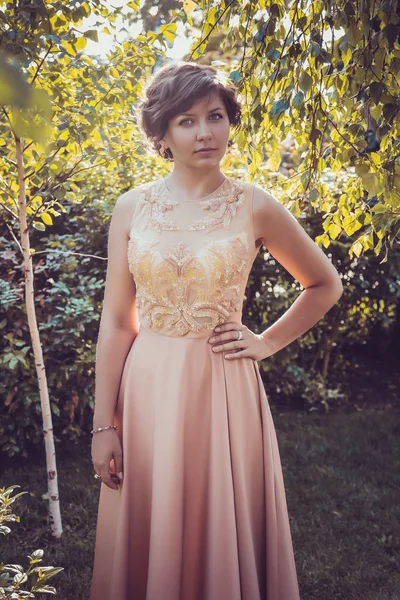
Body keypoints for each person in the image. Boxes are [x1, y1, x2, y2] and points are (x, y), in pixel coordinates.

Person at [89, 61, 343, 600]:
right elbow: (116, 321)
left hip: (223, 385)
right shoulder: (131, 207)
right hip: (149, 386)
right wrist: (102, 424)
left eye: (216, 117)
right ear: (161, 132)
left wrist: (267, 341)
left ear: (230, 123)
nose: (205, 132)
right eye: (186, 120)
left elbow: (324, 284)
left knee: (220, 518)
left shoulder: (254, 204)